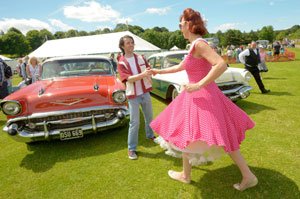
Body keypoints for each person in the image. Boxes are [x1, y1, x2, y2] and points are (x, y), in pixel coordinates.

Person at [150, 8, 258, 191]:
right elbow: (181, 67)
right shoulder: (193, 46)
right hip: (195, 97)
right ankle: (186, 175)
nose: (179, 27)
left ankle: (248, 176)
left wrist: (199, 85)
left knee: (224, 136)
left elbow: (221, 64)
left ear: (189, 25)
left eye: (181, 24)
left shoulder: (200, 44)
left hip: (204, 96)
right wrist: (158, 71)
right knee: (187, 135)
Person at [117, 35, 156, 160]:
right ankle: (131, 148)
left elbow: (148, 69)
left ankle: (150, 135)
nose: (131, 44)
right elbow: (129, 79)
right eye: (128, 43)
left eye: (132, 42)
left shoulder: (140, 57)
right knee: (134, 122)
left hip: (145, 92)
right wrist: (143, 74)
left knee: (149, 117)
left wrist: (149, 75)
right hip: (133, 96)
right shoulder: (121, 62)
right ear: (122, 46)